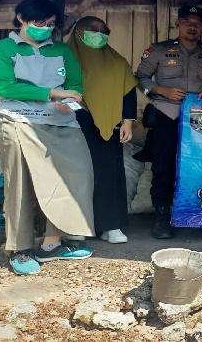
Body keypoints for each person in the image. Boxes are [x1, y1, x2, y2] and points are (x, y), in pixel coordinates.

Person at [0, 0, 94, 275]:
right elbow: (6, 87)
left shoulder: (62, 50)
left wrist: (71, 98)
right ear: (21, 19)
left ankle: (52, 243)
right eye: (39, 23)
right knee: (20, 183)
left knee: (75, 176)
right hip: (18, 121)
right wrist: (52, 93)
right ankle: (20, 249)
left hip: (61, 121)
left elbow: (75, 84)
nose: (45, 28)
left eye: (50, 24)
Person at [135, 4, 202, 239]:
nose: (192, 27)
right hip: (166, 115)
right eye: (187, 22)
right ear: (178, 24)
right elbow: (140, 76)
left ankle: (194, 214)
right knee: (163, 167)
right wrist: (161, 89)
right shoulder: (159, 50)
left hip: (199, 122)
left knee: (199, 166)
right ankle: (162, 217)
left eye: (197, 24)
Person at [68, 16, 138, 244]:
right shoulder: (65, 58)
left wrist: (128, 121)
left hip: (109, 125)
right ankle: (77, 224)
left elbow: (128, 91)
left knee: (108, 174)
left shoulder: (117, 61)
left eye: (103, 30)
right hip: (73, 122)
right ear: (79, 32)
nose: (99, 34)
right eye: (93, 29)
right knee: (77, 174)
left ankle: (110, 225)